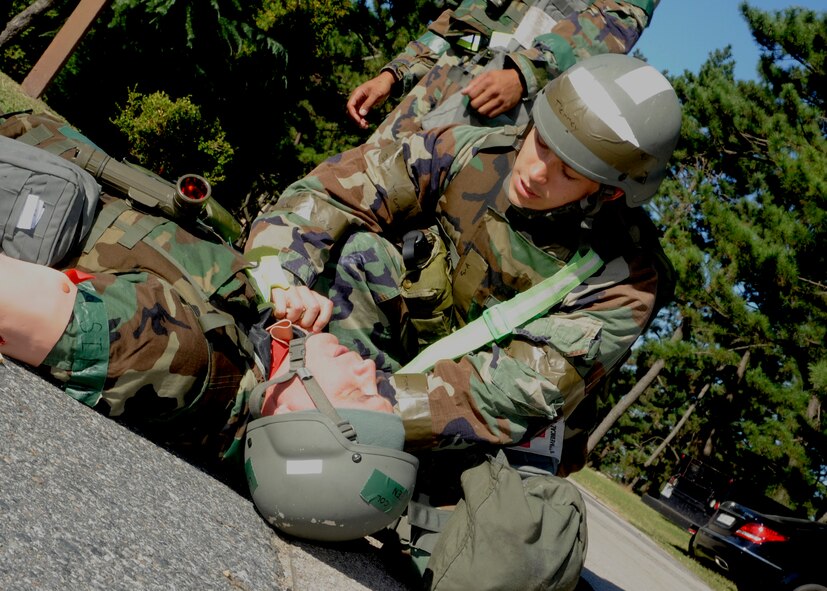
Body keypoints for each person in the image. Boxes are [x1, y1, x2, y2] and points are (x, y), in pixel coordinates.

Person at [247, 53, 681, 585]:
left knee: (492, 566)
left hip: (485, 438)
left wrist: (357, 408)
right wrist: (282, 282)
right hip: (383, 368)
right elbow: (334, 190)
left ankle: (364, 465)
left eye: (569, 172)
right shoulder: (471, 150)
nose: (536, 171)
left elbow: (508, 394)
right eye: (542, 143)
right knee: (359, 254)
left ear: (608, 192)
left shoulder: (624, 279)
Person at [346, 0, 659, 144]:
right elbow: (458, 23)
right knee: (355, 193)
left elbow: (613, 25)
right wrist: (394, 73)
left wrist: (525, 74)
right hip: (435, 87)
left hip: (508, 112)